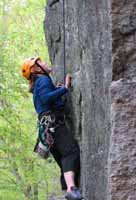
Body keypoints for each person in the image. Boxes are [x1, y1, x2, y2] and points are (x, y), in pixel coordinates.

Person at [21, 57, 83, 200]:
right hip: (53, 124)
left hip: (47, 129)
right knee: (70, 152)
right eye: (40, 62)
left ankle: (68, 191)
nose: (44, 63)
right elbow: (47, 99)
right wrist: (64, 89)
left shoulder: (38, 83)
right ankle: (71, 189)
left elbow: (48, 102)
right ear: (36, 69)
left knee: (64, 159)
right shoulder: (43, 80)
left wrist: (57, 91)